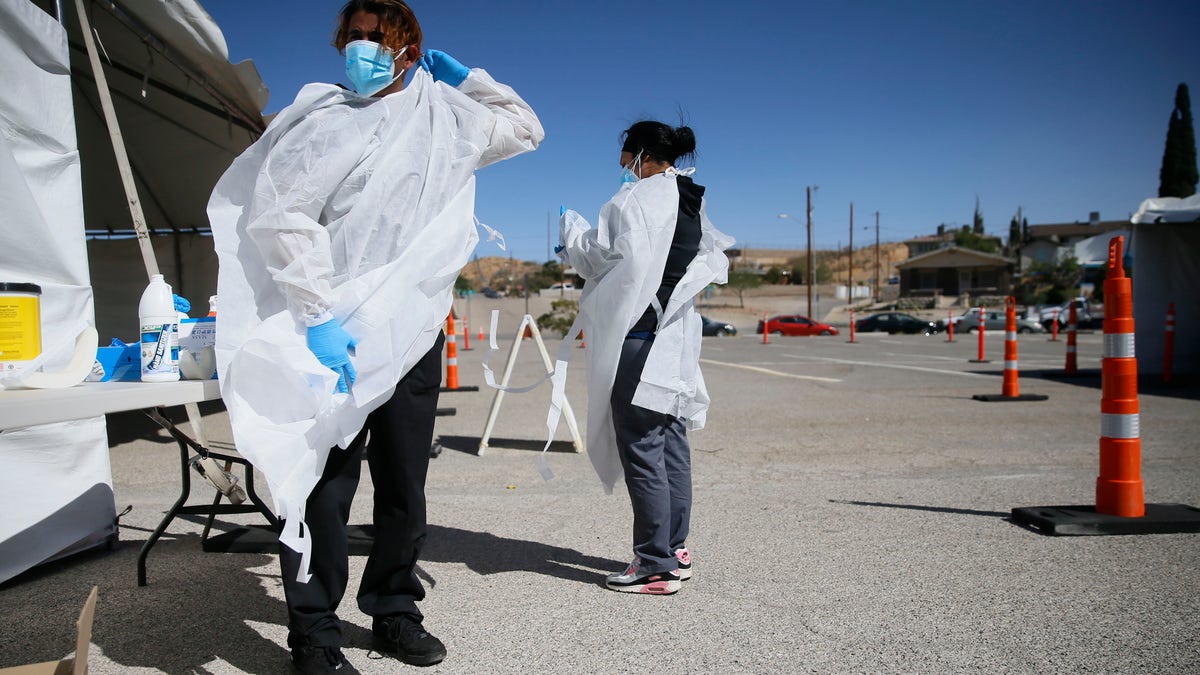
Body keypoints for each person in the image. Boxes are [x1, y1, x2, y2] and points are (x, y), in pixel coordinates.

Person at [207, 1, 542, 672]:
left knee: (403, 484)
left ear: (409, 49)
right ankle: (315, 634)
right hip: (331, 327)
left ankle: (394, 608)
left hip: (413, 330)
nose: (361, 48)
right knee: (321, 484)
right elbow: (281, 216)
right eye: (353, 37)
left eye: (376, 38)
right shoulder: (324, 119)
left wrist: (468, 77)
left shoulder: (448, 117)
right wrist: (318, 316)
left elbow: (525, 127)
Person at [557, 121, 732, 594]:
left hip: (640, 337)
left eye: (625, 158)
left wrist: (571, 235)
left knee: (642, 447)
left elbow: (613, 263)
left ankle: (654, 565)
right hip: (674, 339)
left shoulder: (633, 200)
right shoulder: (692, 199)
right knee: (671, 444)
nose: (621, 168)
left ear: (642, 155)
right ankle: (675, 549)